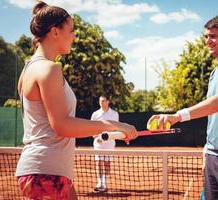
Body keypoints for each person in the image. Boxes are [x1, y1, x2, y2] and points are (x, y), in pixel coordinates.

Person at [15, 1, 137, 200]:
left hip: (51, 170)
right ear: (55, 31)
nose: (74, 36)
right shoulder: (49, 69)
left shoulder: (29, 68)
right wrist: (117, 125)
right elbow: (62, 125)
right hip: (46, 172)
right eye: (71, 30)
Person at [148, 15, 218, 200]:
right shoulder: (215, 73)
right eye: (206, 37)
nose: (207, 41)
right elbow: (214, 116)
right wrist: (207, 152)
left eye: (213, 36)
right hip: (213, 157)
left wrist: (177, 116)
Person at [91, 95, 119, 192]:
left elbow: (116, 128)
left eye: (103, 101)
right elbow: (91, 128)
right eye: (100, 101)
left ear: (108, 101)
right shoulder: (95, 114)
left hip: (110, 143)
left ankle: (104, 182)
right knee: (98, 162)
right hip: (98, 143)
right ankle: (99, 182)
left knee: (107, 162)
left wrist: (107, 137)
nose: (101, 103)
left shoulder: (115, 114)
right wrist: (97, 137)